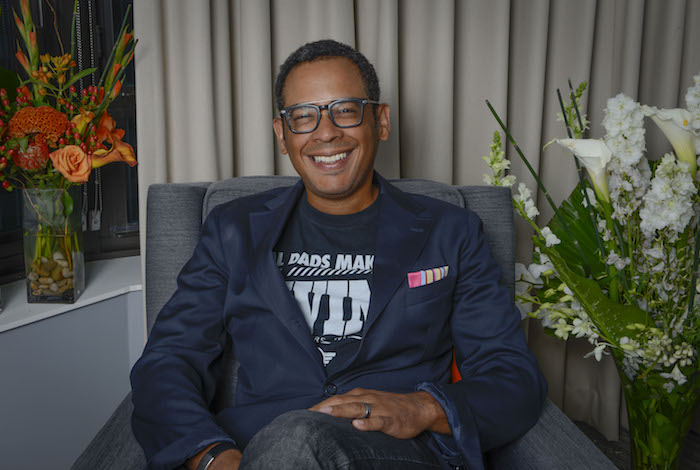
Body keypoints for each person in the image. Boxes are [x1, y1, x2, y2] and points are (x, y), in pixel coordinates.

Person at [130, 39, 547, 470]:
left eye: (345, 110)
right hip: (256, 450)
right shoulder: (233, 229)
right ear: (282, 135)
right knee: (291, 441)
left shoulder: (451, 231)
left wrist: (422, 407)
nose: (326, 132)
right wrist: (211, 456)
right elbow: (168, 361)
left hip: (397, 453)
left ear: (381, 121)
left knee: (299, 437)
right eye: (303, 116)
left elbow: (512, 376)